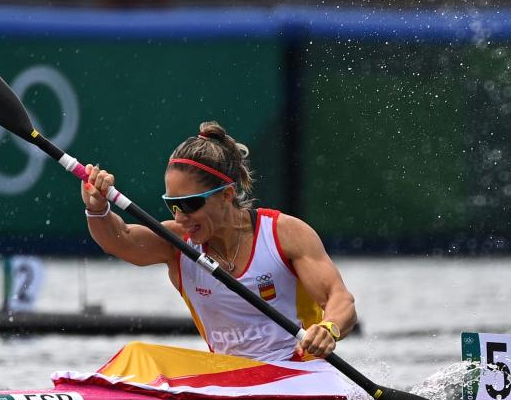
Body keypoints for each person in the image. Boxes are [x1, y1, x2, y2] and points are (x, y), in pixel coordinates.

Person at [81, 120, 356, 362]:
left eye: (190, 204)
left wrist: (329, 328)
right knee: (138, 355)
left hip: (300, 373)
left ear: (226, 195)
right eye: (172, 206)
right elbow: (120, 240)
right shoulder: (177, 243)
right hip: (229, 379)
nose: (181, 217)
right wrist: (97, 208)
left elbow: (339, 298)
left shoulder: (284, 234)